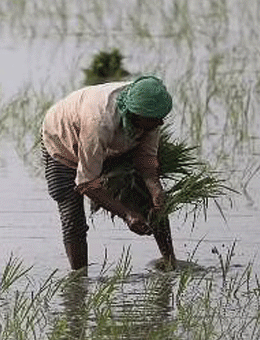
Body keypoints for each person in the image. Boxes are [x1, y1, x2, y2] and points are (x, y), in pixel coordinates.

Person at [41, 75, 177, 271]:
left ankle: (170, 263)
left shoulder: (150, 113)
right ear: (135, 115)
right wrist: (127, 214)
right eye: (155, 120)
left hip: (112, 144)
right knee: (72, 217)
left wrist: (155, 189)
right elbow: (86, 183)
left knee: (151, 202)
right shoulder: (99, 122)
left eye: (161, 118)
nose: (161, 124)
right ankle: (80, 279)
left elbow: (145, 159)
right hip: (62, 142)